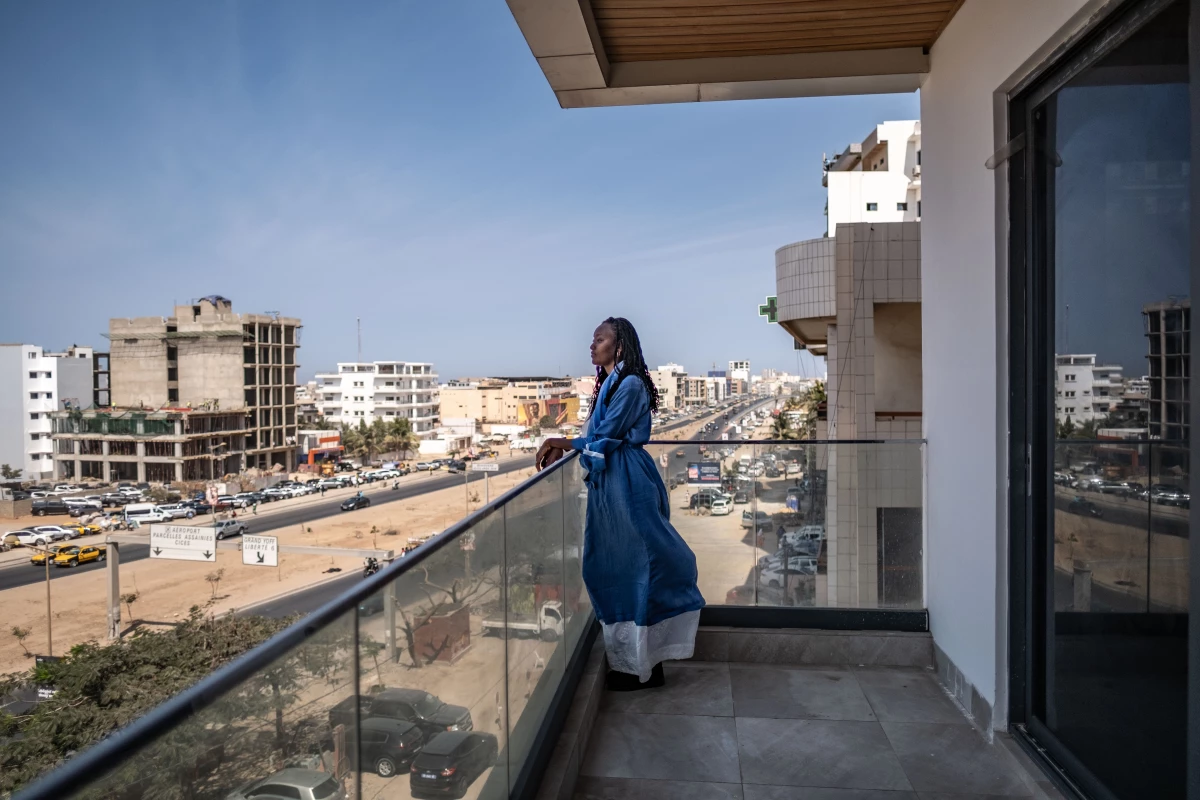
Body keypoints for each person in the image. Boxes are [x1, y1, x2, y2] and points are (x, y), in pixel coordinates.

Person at [537, 317, 704, 691]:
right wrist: (570, 443)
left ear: (620, 346)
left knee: (638, 561)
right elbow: (597, 437)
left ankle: (642, 666)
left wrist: (562, 442)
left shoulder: (628, 385)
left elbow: (605, 436)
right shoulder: (612, 384)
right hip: (611, 482)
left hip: (625, 480)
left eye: (600, 339)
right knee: (611, 565)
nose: (592, 346)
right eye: (592, 340)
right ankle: (637, 663)